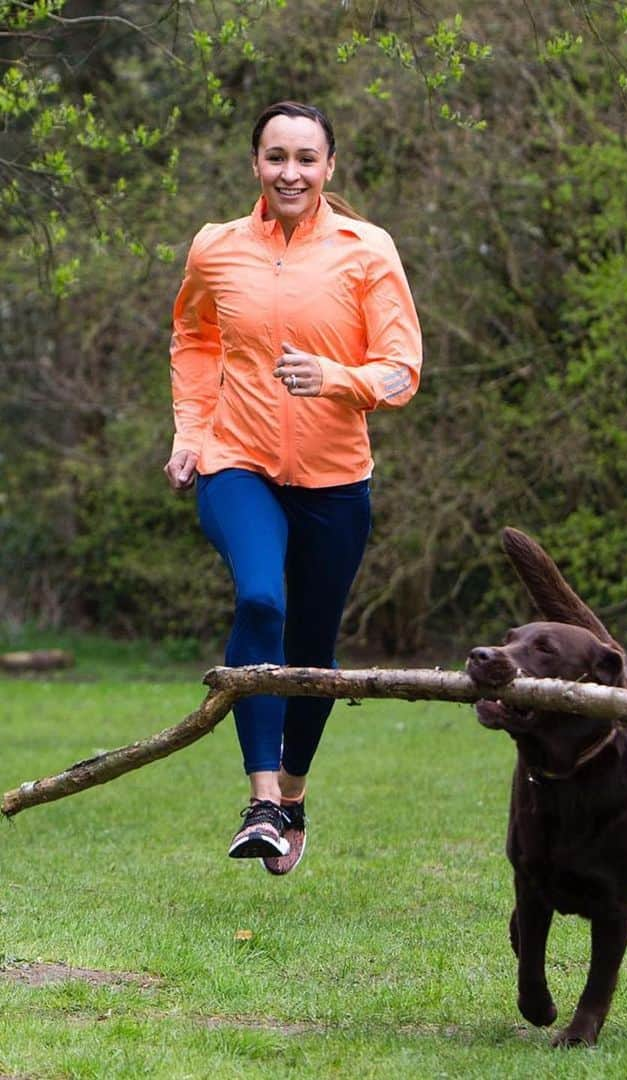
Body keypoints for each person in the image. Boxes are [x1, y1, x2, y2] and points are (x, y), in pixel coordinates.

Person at [163, 101, 422, 873]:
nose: (290, 172)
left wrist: (336, 378)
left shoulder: (365, 250)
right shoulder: (217, 248)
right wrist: (190, 431)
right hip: (235, 460)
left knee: (312, 649)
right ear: (255, 165)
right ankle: (262, 799)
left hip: (336, 480)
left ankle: (296, 795)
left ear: (329, 167)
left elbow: (402, 367)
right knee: (261, 601)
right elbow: (194, 335)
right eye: (276, 157)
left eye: (306, 159)